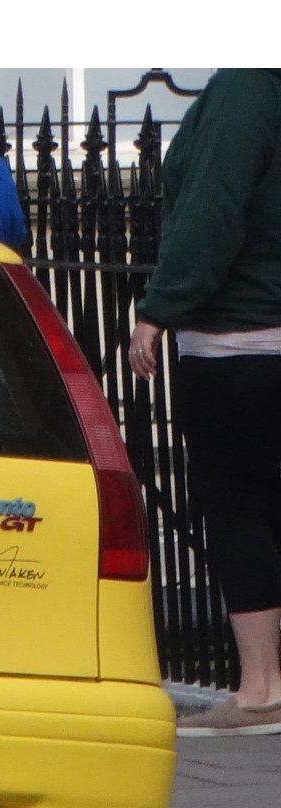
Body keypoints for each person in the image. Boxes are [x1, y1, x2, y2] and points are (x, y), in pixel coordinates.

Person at [128, 68, 281, 737]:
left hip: (236, 342)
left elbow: (211, 210)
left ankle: (261, 689)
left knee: (238, 507)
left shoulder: (247, 86)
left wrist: (158, 309)